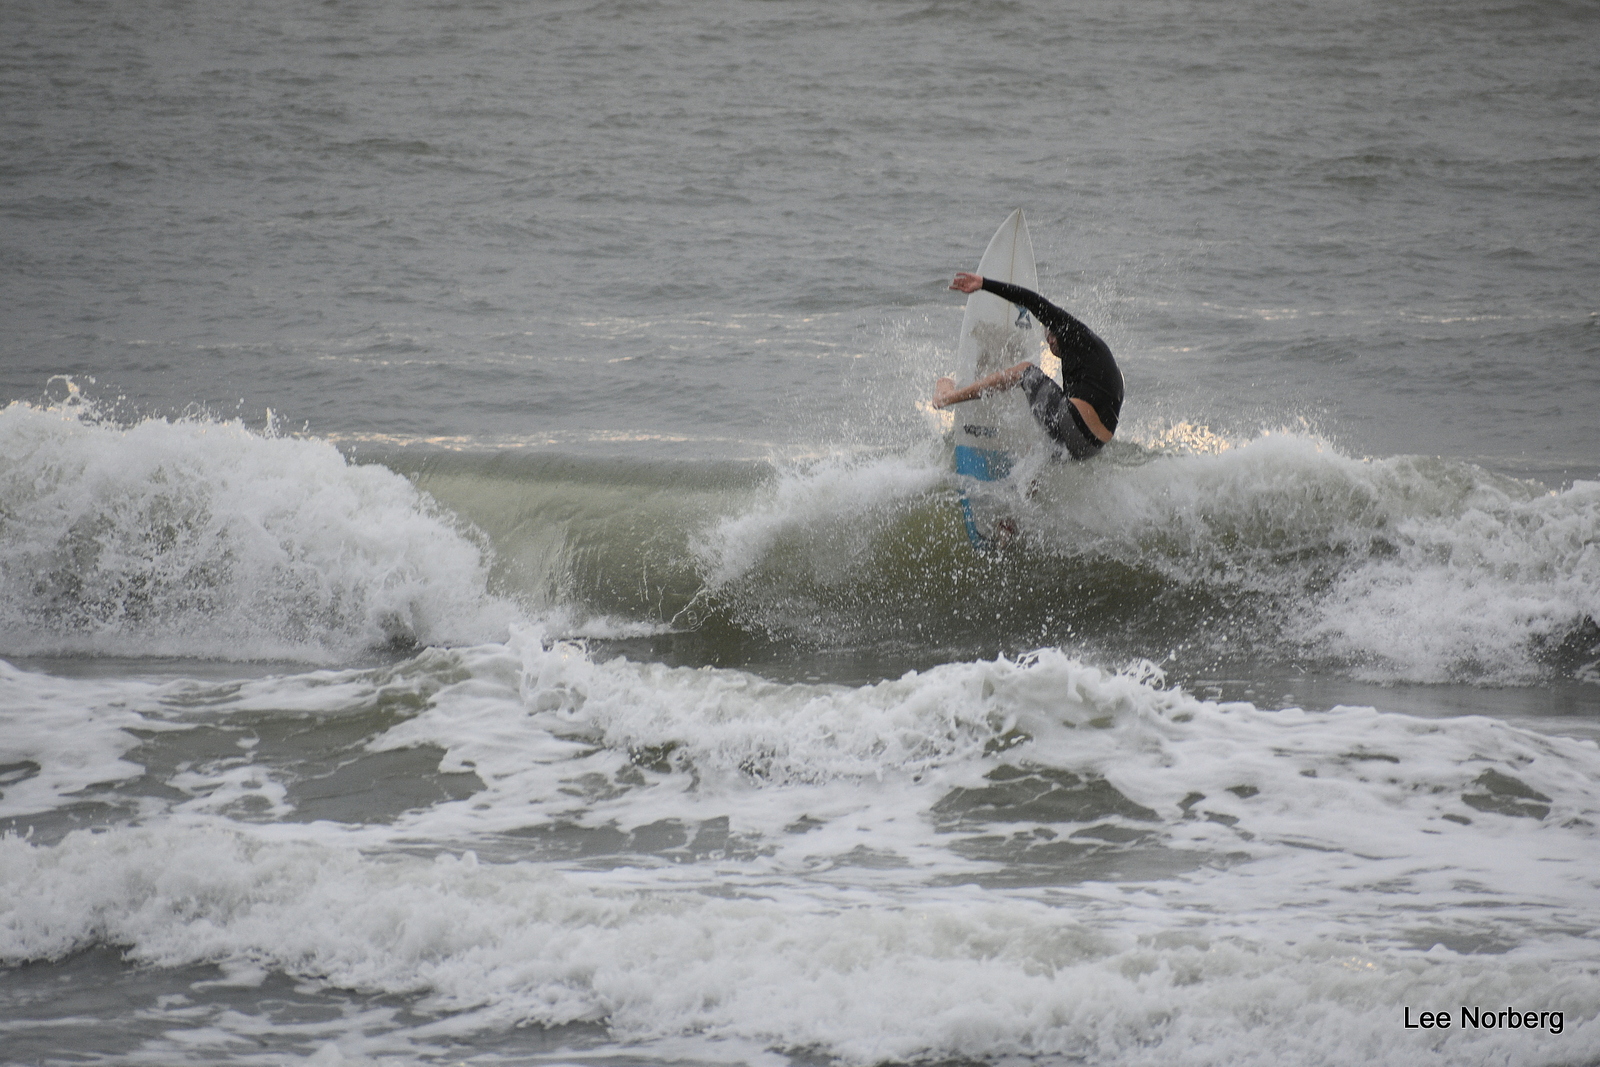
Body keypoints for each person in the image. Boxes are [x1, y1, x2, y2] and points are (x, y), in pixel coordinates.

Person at [933, 272, 1123, 460]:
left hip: (1075, 427)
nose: (1049, 343)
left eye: (1048, 336)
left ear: (1056, 330)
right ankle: (1026, 487)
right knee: (1038, 452)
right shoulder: (1091, 360)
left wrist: (984, 283)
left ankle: (948, 398)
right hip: (1089, 449)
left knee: (1025, 371)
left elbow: (1031, 300)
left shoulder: (1073, 332)